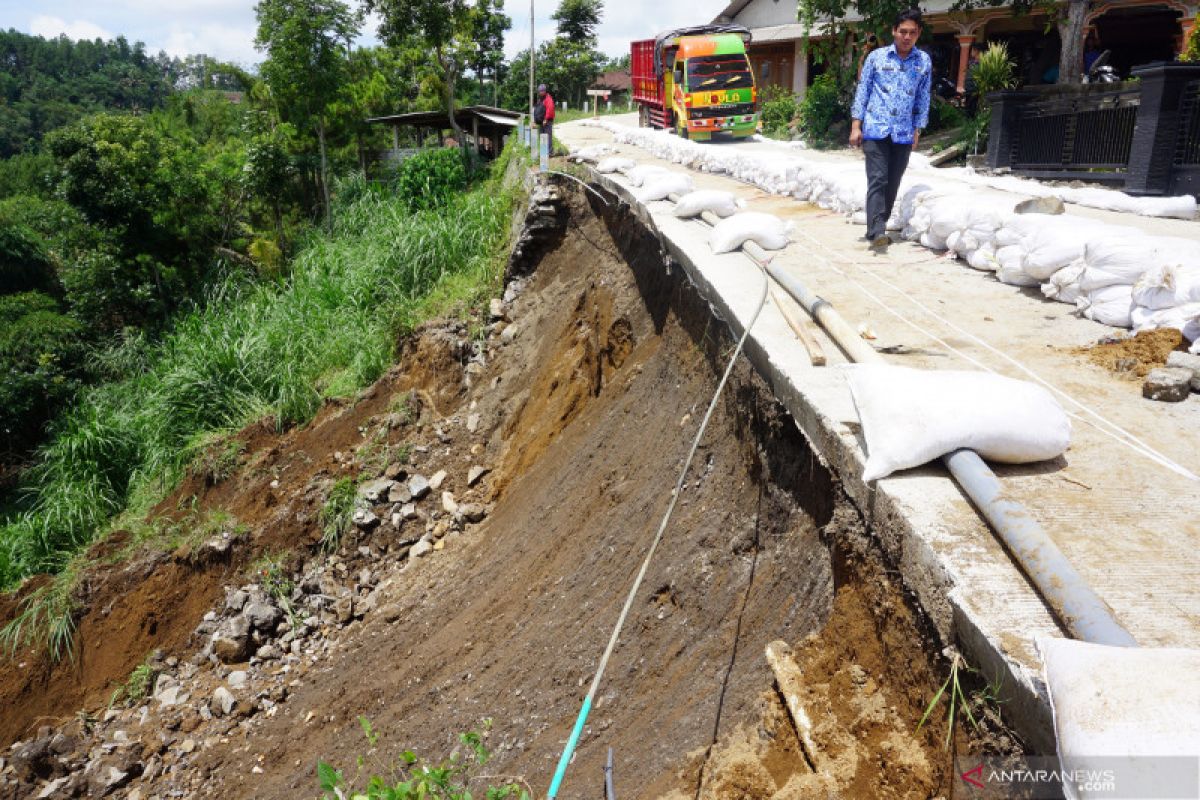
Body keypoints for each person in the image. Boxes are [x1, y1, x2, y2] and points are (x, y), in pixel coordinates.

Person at [850, 8, 932, 251]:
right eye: (903, 31)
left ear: (918, 34)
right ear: (894, 31)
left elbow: (923, 97)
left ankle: (876, 226)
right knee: (878, 178)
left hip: (904, 132)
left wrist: (918, 129)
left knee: (893, 181)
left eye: (912, 33)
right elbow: (862, 91)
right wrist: (856, 125)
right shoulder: (877, 58)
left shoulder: (923, 61)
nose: (906, 37)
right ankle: (878, 231)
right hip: (875, 128)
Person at [534, 84, 556, 150]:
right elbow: (536, 110)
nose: (540, 92)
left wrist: (546, 119)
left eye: (541, 91)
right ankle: (543, 151)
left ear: (544, 91)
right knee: (542, 137)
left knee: (548, 136)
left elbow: (550, 109)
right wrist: (535, 121)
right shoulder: (540, 99)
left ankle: (549, 152)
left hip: (547, 121)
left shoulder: (548, 99)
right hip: (541, 121)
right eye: (539, 91)